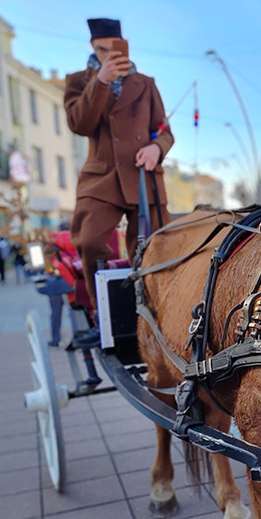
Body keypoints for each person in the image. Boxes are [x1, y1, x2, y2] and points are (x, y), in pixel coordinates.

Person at [65, 18, 172, 346]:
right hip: (102, 177)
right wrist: (100, 82)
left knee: (154, 248)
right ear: (92, 48)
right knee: (89, 240)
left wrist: (156, 148)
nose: (108, 54)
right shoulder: (78, 81)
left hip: (143, 176)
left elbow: (164, 131)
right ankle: (103, 317)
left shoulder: (145, 83)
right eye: (101, 49)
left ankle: (158, 317)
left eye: (115, 48)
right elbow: (79, 124)